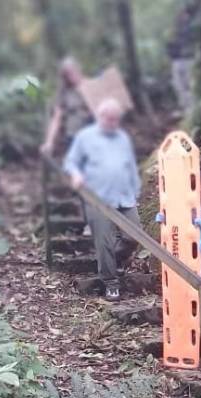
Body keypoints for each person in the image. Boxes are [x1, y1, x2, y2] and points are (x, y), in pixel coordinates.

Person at [63, 98, 141, 302]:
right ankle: (111, 283)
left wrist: (136, 189)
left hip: (124, 196)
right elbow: (71, 162)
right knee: (104, 242)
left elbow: (130, 165)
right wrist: (76, 174)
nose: (113, 123)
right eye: (109, 119)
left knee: (134, 237)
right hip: (97, 197)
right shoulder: (85, 137)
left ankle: (115, 261)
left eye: (116, 120)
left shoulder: (122, 137)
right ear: (100, 117)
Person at [40, 56, 92, 157]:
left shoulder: (91, 85)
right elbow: (56, 118)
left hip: (93, 131)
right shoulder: (64, 92)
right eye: (68, 74)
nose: (72, 76)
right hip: (74, 134)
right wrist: (49, 142)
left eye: (73, 72)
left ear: (78, 70)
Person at [167, 2, 199, 117]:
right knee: (178, 85)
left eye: (183, 13)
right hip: (177, 60)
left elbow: (193, 43)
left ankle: (192, 110)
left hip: (188, 59)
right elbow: (171, 43)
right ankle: (185, 108)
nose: (181, 16)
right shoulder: (176, 29)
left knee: (189, 85)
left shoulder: (192, 27)